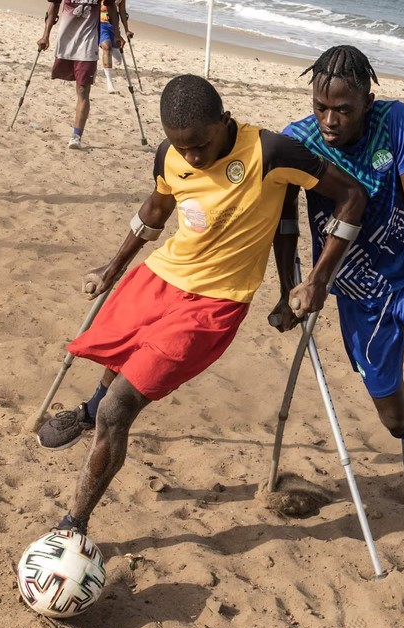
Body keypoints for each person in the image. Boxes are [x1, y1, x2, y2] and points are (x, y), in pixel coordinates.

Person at [36, 75, 367, 535]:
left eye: (201, 146)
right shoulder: (170, 155)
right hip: (157, 278)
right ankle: (90, 408)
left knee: (120, 409)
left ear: (224, 121)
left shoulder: (271, 153)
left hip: (214, 303)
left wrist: (316, 280)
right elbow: (156, 210)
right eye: (180, 147)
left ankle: (73, 524)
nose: (191, 157)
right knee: (115, 361)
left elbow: (353, 196)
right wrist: (110, 271)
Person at [280, 45, 404, 488]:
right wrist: (292, 289)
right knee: (391, 415)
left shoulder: (394, 122)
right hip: (356, 294)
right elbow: (285, 225)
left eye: (343, 110)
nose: (330, 120)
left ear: (367, 103)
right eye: (321, 107)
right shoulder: (299, 142)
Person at [38, 0, 124, 149]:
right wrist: (45, 35)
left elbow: (111, 7)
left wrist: (117, 33)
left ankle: (76, 136)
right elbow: (54, 6)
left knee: (83, 90)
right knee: (70, 82)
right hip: (66, 41)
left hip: (88, 43)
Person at [97, 0, 132, 94]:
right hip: (99, 23)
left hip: (113, 25)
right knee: (106, 47)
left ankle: (110, 48)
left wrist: (126, 29)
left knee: (118, 60)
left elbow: (122, 11)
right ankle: (110, 83)